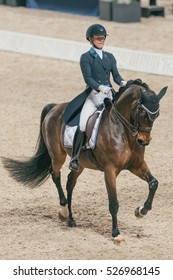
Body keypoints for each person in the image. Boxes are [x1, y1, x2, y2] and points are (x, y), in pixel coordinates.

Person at [69, 23, 127, 171]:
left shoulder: (110, 57)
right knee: (82, 124)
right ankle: (75, 157)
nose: (101, 40)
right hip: (93, 95)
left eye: (103, 37)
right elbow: (88, 78)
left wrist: (123, 82)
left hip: (109, 95)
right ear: (90, 39)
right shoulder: (86, 57)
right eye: (98, 37)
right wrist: (99, 87)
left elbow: (116, 76)